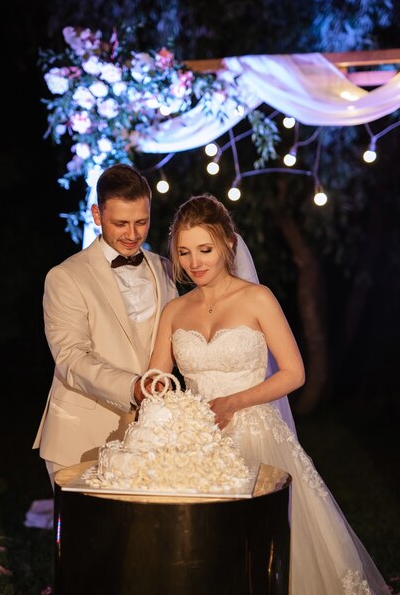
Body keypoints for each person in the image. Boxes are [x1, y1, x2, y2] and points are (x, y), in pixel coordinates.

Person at [148, 193, 389, 595]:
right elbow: (158, 375)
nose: (195, 263)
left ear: (228, 242)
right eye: (185, 252)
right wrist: (154, 390)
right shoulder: (174, 311)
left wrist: (234, 402)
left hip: (256, 435)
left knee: (262, 549)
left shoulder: (257, 298)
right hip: (195, 442)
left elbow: (294, 373)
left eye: (205, 249)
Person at [32, 163, 178, 486]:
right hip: (80, 439)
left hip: (151, 440)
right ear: (97, 215)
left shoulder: (164, 269)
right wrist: (132, 388)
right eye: (121, 223)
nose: (133, 234)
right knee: (85, 536)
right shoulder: (65, 277)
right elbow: (71, 358)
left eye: (142, 222)